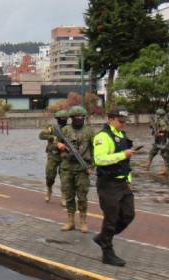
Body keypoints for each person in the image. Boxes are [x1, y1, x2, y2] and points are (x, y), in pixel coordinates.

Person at [93, 107, 138, 266]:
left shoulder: (122, 135)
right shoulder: (102, 137)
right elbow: (100, 160)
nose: (123, 124)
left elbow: (126, 164)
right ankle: (107, 252)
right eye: (120, 121)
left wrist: (129, 180)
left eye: (125, 121)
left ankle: (103, 237)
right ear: (110, 119)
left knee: (128, 214)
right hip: (108, 184)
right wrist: (123, 154)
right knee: (111, 218)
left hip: (122, 183)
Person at [57, 106, 96, 233]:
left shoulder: (90, 131)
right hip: (67, 167)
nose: (79, 119)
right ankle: (70, 221)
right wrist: (59, 145)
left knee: (82, 196)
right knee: (68, 195)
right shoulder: (65, 130)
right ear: (71, 118)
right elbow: (53, 144)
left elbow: (95, 149)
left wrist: (92, 166)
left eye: (81, 117)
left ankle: (83, 222)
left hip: (82, 168)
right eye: (76, 117)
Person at [38, 110, 69, 205]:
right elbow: (41, 135)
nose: (63, 120)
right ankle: (49, 189)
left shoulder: (69, 129)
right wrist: (52, 137)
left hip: (65, 155)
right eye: (61, 119)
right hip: (53, 154)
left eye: (65, 119)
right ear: (58, 119)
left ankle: (64, 196)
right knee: (50, 174)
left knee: (65, 177)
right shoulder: (52, 128)